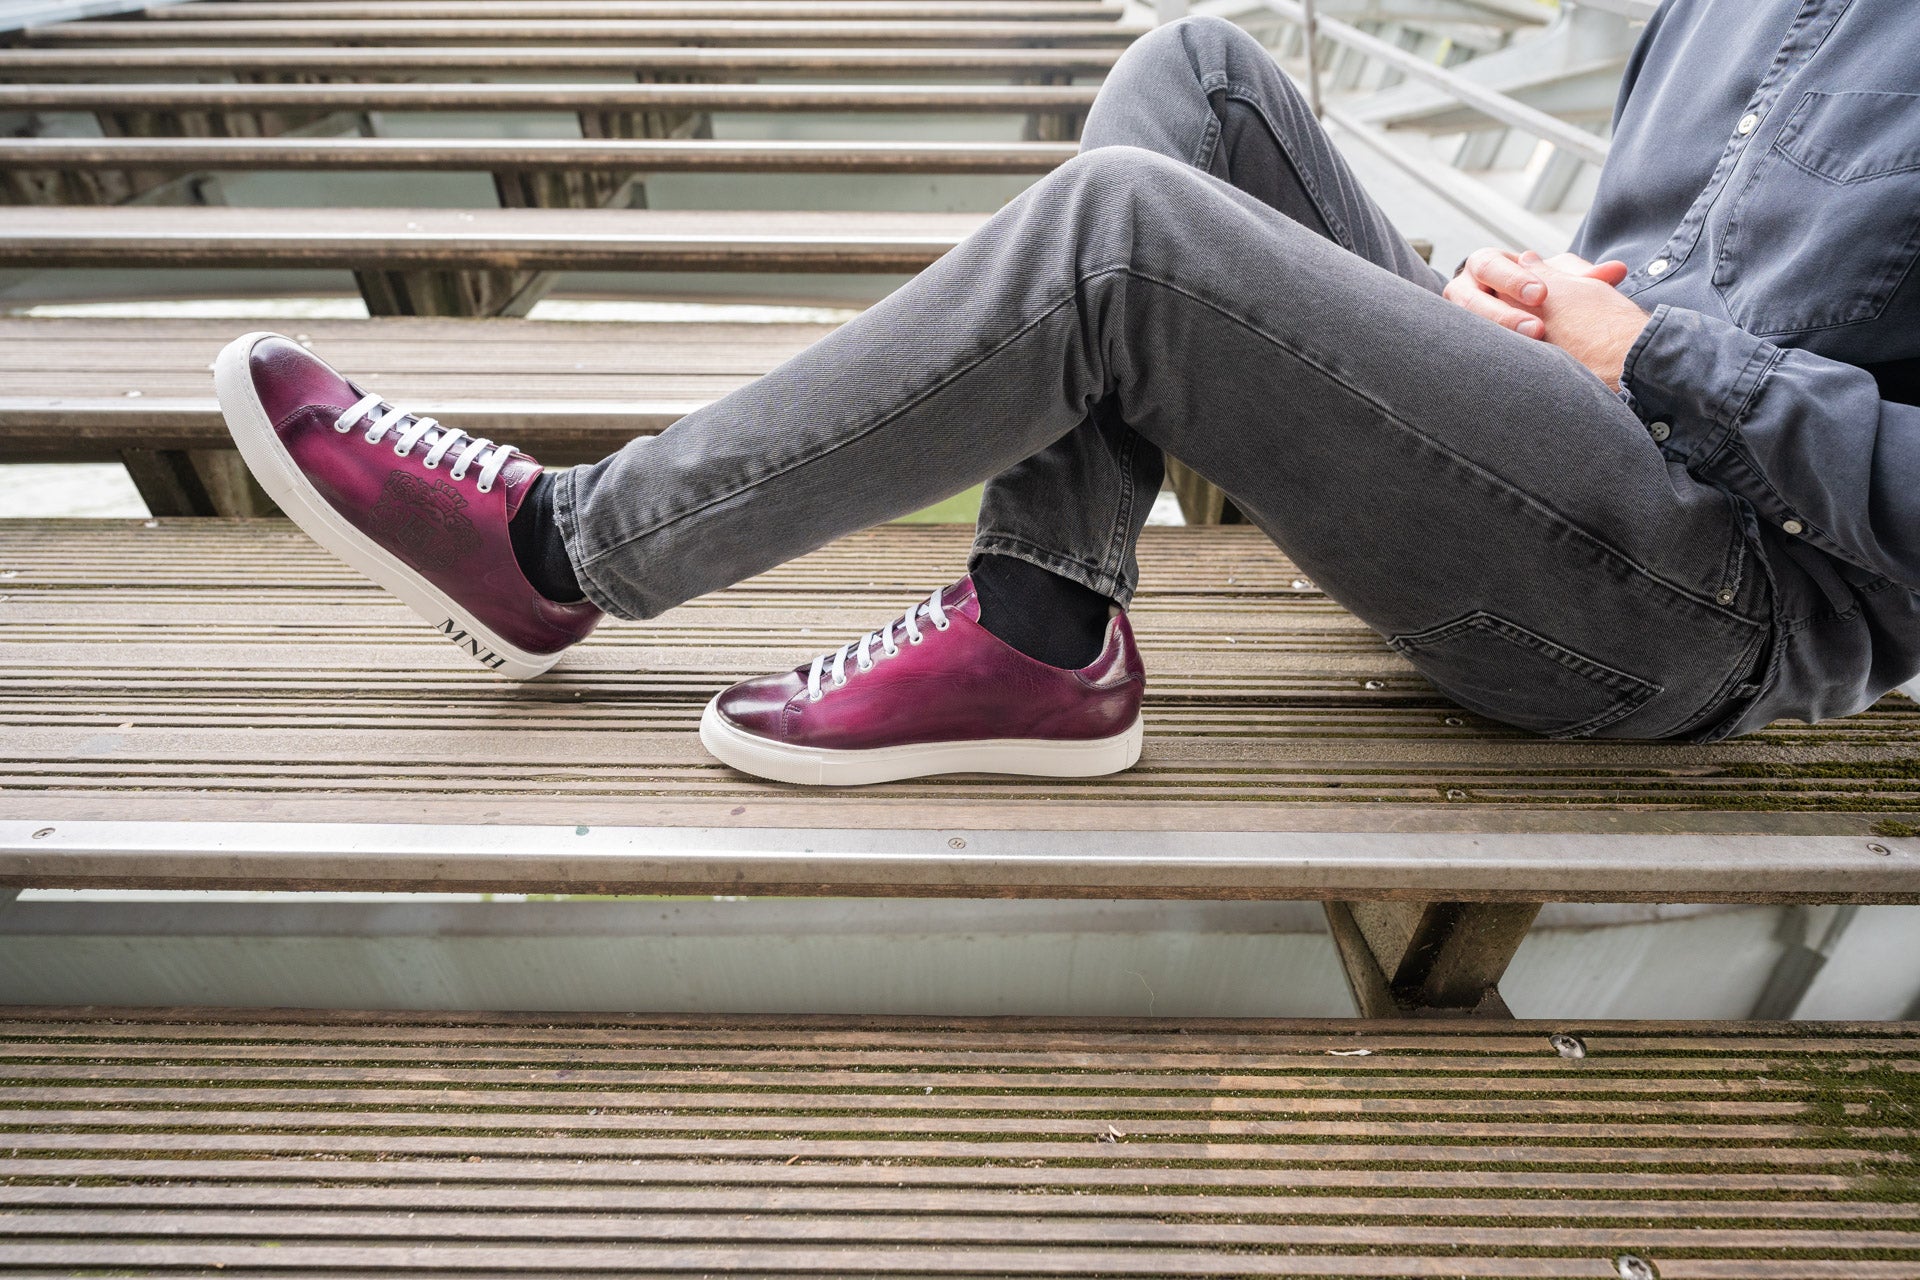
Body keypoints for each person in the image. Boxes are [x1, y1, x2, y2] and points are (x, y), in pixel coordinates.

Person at [212, 1, 1920, 787]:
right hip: (1589, 448)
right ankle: (1045, 623)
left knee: (1130, 236)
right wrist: (1555, 316)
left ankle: (559, 553)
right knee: (1199, 74)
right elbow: (1670, 277)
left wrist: (1653, 359)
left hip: (1704, 600)